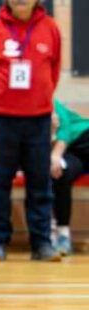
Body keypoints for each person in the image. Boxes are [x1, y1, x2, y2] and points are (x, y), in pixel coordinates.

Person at [0, 0, 61, 262]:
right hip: (2, 118)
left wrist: (39, 98)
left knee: (40, 184)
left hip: (38, 119)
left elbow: (54, 70)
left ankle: (42, 244)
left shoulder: (51, 28)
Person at [51, 99, 89, 255]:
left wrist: (56, 154)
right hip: (72, 153)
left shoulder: (47, 99)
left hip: (84, 138)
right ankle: (63, 235)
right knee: (60, 173)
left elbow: (65, 127)